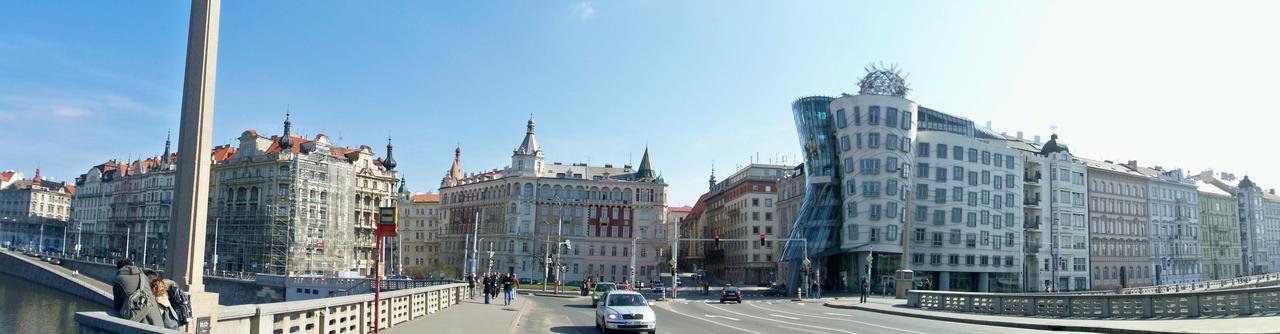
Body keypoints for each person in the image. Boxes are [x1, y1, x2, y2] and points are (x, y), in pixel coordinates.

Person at [111, 259, 163, 326]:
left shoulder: (117, 279)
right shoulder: (143, 276)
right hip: (157, 319)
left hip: (139, 321)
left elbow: (118, 305)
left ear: (118, 268)